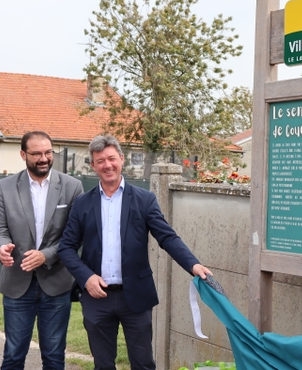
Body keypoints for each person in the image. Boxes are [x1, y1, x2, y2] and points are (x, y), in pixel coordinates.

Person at [59, 134, 212, 370]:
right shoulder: (82, 203)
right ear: (93, 165)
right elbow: (66, 248)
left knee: (142, 363)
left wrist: (193, 265)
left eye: (111, 158)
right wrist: (86, 278)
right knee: (103, 365)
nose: (107, 165)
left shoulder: (144, 200)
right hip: (97, 296)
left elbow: (167, 237)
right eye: (100, 161)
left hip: (136, 297)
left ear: (121, 159)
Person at [0, 131, 84, 370]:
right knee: (13, 356)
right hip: (16, 284)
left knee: (54, 357)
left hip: (56, 283)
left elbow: (76, 236)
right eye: (36, 153)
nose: (43, 158)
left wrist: (46, 255)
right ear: (23, 154)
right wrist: (2, 247)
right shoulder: (5, 187)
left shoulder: (72, 187)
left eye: (48, 152)